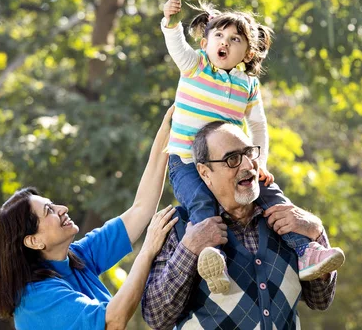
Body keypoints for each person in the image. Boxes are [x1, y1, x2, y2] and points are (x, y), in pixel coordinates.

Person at [162, 0, 344, 293]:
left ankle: (306, 252)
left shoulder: (248, 84)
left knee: (273, 197)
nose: (225, 43)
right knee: (202, 206)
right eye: (219, 36)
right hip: (186, 161)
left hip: (234, 163)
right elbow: (176, 45)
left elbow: (258, 125)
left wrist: (260, 165)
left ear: (246, 52)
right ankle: (214, 261)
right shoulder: (195, 66)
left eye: (235, 39)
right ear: (205, 42)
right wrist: (171, 23)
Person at [0, 107, 178, 330]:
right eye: (49, 210)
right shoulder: (36, 298)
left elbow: (141, 209)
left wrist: (168, 132)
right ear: (33, 240)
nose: (62, 208)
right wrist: (148, 251)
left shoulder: (77, 256)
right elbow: (113, 322)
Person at [141, 121, 340, 329]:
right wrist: (189, 249)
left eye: (249, 153)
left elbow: (321, 299)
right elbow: (157, 317)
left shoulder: (288, 220)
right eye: (232, 159)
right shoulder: (179, 227)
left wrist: (316, 231)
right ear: (204, 173)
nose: (247, 166)